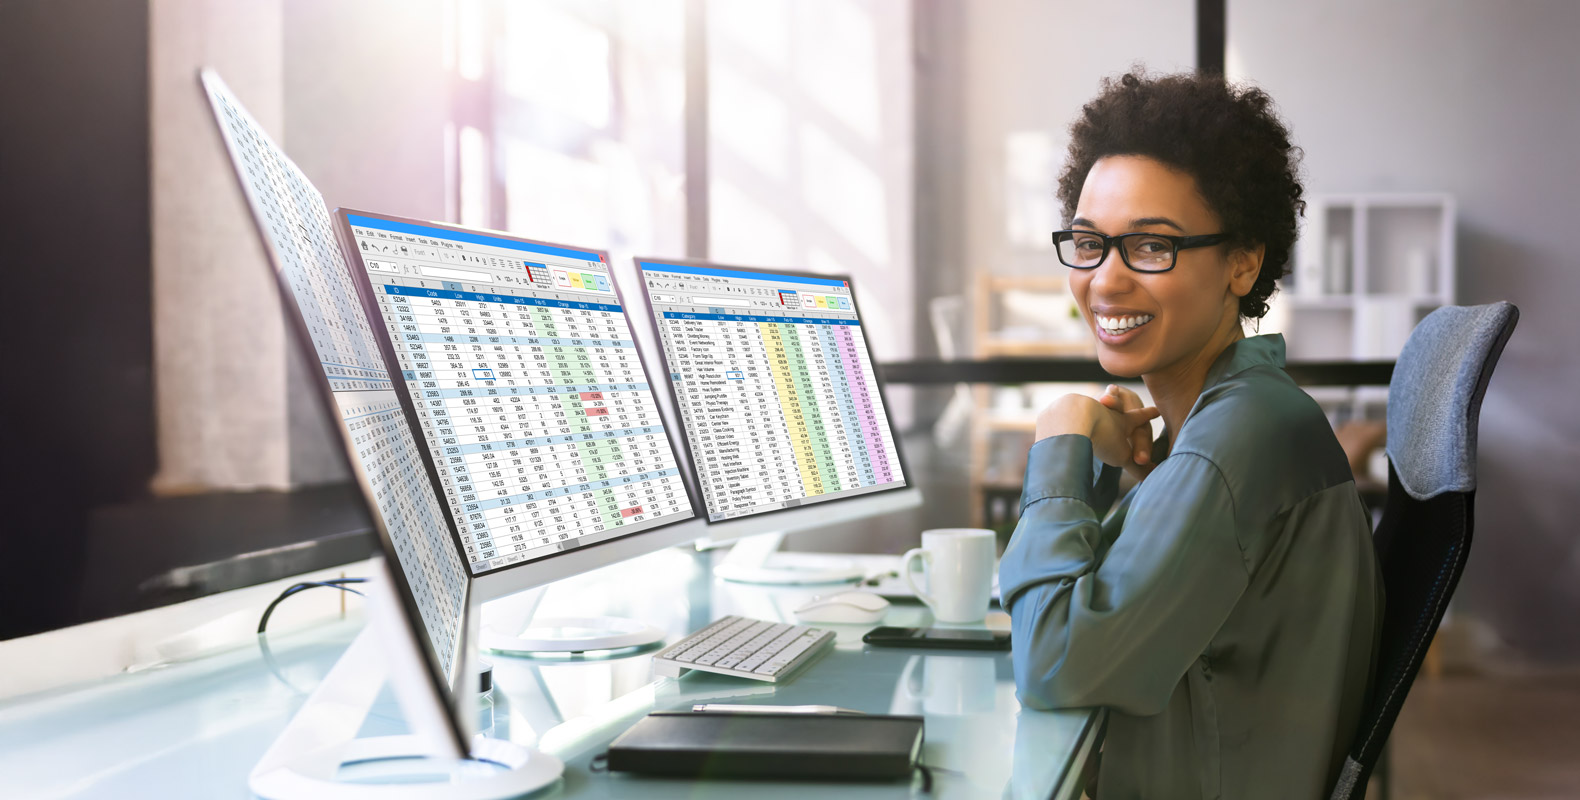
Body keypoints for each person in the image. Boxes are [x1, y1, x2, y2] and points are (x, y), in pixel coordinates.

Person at [998, 71, 1382, 799]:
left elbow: (1053, 664)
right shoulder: (1237, 414)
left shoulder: (1234, 443)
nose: (1105, 281)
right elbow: (1119, 599)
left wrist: (1060, 445)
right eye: (1088, 242)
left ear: (1243, 261)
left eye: (1150, 246)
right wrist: (1103, 468)